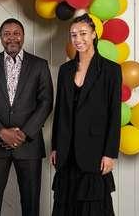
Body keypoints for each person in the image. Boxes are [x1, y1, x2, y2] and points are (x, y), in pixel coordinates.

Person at [0, 18, 54, 216]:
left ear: (23, 36)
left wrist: (24, 134)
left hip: (29, 146)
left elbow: (46, 103)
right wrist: (1, 132)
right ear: (1, 38)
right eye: (7, 34)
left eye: (16, 33)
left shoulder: (39, 65)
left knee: (31, 205)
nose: (12, 37)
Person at [50, 13, 122, 216]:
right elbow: (60, 111)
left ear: (93, 35)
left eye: (83, 33)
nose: (78, 39)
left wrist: (110, 153)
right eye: (73, 35)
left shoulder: (111, 70)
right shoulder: (65, 70)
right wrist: (56, 146)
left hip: (95, 152)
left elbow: (114, 114)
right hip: (66, 152)